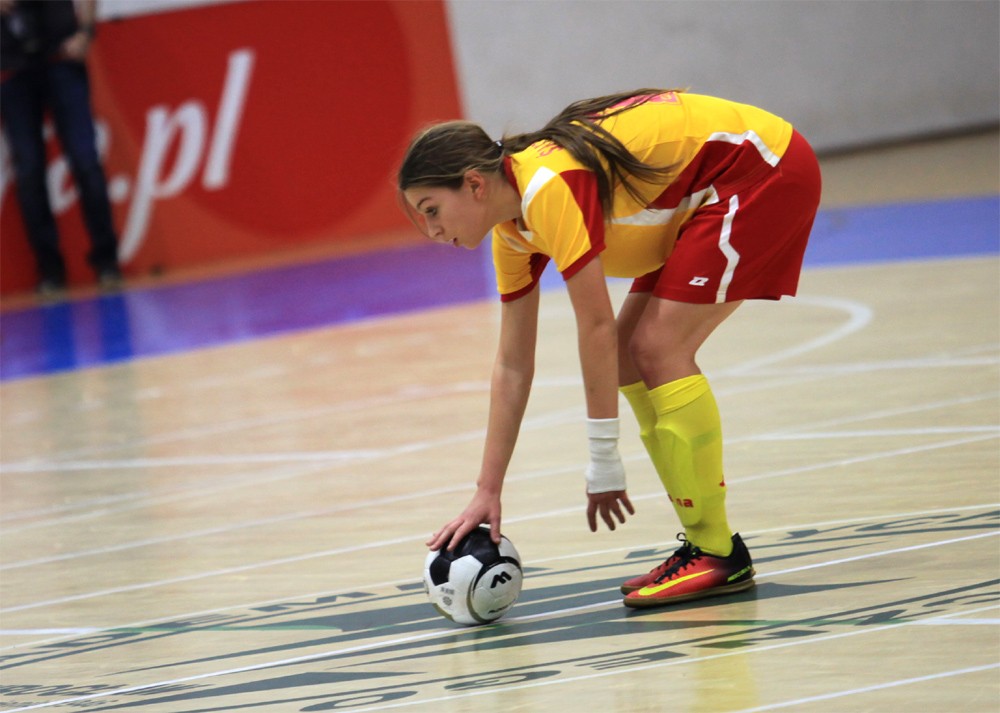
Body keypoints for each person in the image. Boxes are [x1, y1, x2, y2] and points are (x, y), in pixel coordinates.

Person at [398, 89, 821, 608]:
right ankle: (705, 545)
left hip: (762, 170)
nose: (432, 230)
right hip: (705, 192)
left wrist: (603, 460)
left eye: (432, 210)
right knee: (630, 355)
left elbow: (595, 325)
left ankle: (718, 553)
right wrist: (488, 489)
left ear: (474, 184)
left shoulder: (549, 187)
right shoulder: (511, 233)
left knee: (659, 348)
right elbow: (512, 365)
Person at [0, 0, 122, 296]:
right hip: (11, 66)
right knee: (29, 170)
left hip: (60, 55)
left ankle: (106, 260)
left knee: (85, 160)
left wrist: (86, 31)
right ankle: (50, 269)